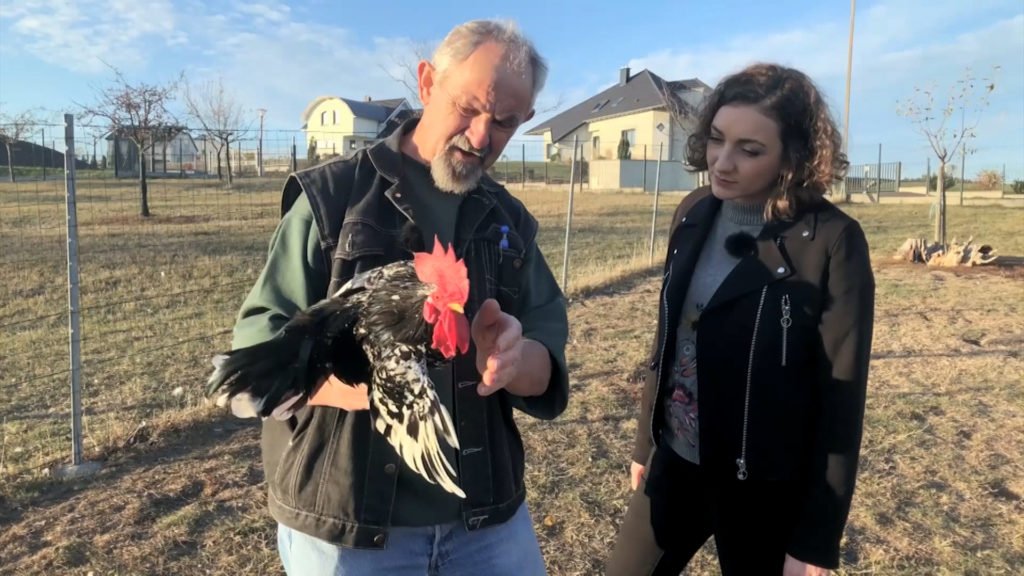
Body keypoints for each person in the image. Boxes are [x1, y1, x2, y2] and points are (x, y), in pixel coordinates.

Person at [228, 19, 569, 576]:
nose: (482, 136)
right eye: (469, 108)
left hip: (485, 521)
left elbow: (546, 365)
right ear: (429, 82)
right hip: (349, 522)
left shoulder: (510, 223)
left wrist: (514, 359)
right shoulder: (334, 198)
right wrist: (371, 386)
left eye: (505, 123)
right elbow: (258, 348)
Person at [604, 62, 875, 576]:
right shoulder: (693, 212)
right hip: (676, 461)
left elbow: (841, 398)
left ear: (791, 157)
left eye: (750, 151)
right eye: (716, 140)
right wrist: (646, 443)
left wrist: (815, 539)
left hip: (766, 487)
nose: (721, 163)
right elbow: (669, 338)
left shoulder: (832, 241)